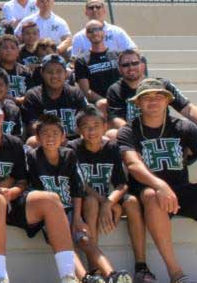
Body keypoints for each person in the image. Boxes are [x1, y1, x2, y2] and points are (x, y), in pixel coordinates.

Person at [0, 95, 79, 282]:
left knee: (51, 199)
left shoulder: (15, 143)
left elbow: (22, 181)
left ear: (2, 117)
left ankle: (69, 276)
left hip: (13, 199)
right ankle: (0, 277)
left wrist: (12, 191)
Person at [117, 78, 197, 283]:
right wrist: (160, 184)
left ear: (168, 100)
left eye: (158, 96)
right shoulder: (128, 131)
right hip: (147, 194)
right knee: (153, 194)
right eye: (146, 97)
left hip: (181, 191)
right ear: (138, 103)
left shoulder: (184, 127)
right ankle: (176, 275)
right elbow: (133, 164)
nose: (153, 101)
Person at [28, 114, 132, 282]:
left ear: (63, 137)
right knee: (65, 242)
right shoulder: (33, 157)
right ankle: (86, 278)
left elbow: (78, 189)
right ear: (37, 138)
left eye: (55, 133)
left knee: (84, 238)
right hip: (49, 215)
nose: (50, 138)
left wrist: (77, 218)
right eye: (45, 134)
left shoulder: (69, 155)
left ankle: (112, 275)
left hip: (70, 209)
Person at [69, 105, 157, 283]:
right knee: (92, 201)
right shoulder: (72, 149)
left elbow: (122, 184)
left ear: (105, 127)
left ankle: (141, 266)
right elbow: (79, 183)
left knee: (132, 202)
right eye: (86, 126)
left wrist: (109, 203)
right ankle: (95, 268)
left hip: (109, 198)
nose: (92, 130)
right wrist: (104, 203)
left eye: (96, 125)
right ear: (78, 130)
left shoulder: (112, 147)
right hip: (86, 199)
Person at [105, 49, 197, 142]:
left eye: (135, 63)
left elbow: (187, 108)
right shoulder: (115, 90)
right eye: (125, 65)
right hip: (135, 134)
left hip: (166, 131)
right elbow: (117, 119)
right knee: (112, 135)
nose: (131, 67)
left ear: (142, 66)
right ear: (119, 69)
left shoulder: (162, 85)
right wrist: (139, 133)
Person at [22, 54, 87, 145]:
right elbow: (33, 127)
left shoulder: (75, 93)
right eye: (49, 72)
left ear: (66, 73)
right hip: (47, 142)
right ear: (42, 73)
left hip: (73, 143)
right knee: (32, 141)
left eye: (59, 71)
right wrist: (58, 140)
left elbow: (84, 121)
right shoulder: (33, 95)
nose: (54, 76)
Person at [74, 20, 121, 114]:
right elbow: (86, 91)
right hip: (99, 107)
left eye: (98, 29)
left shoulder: (117, 55)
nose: (95, 33)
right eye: (90, 31)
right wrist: (106, 102)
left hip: (120, 101)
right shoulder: (81, 60)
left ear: (104, 32)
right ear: (86, 35)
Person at [68, 0, 136, 58]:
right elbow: (74, 60)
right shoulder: (78, 37)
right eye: (91, 7)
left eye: (98, 7)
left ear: (104, 11)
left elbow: (133, 50)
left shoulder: (117, 31)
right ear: (86, 12)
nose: (94, 10)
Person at [0, 34, 34, 100]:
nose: (9, 50)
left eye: (12, 48)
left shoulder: (25, 71)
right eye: (5, 47)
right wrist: (15, 100)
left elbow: (31, 93)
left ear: (18, 52)